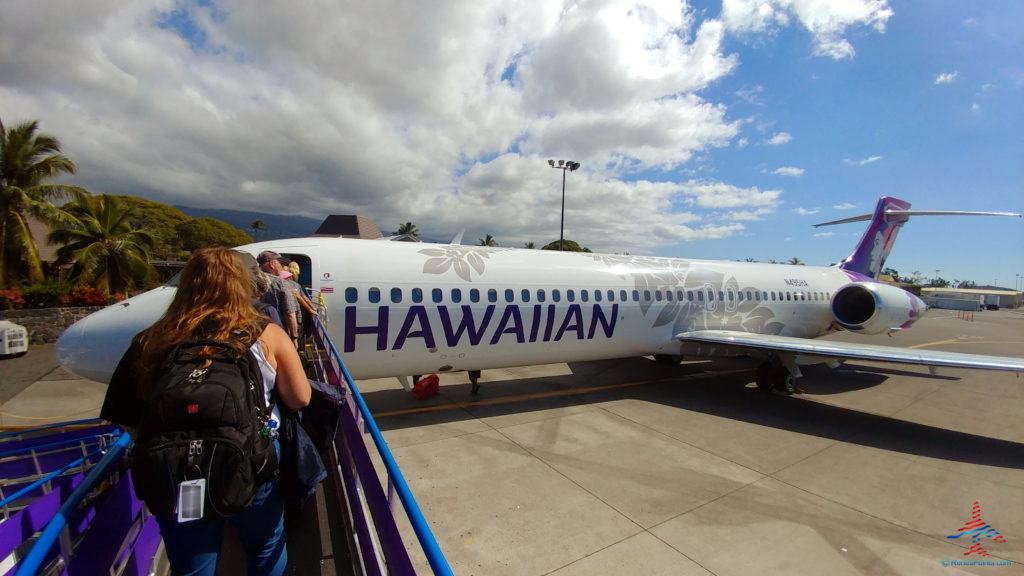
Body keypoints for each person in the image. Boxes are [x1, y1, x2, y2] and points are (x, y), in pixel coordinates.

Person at [101, 247, 312, 576]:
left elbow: (125, 415)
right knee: (265, 546)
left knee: (193, 561)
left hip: (173, 471)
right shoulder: (265, 332)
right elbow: (300, 398)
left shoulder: (151, 339)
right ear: (242, 283)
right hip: (250, 462)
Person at [257, 251, 300, 348]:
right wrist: (294, 338)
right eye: (280, 263)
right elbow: (290, 314)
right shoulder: (280, 282)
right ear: (272, 264)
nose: (282, 267)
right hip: (277, 333)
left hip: (255, 333)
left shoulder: (250, 280)